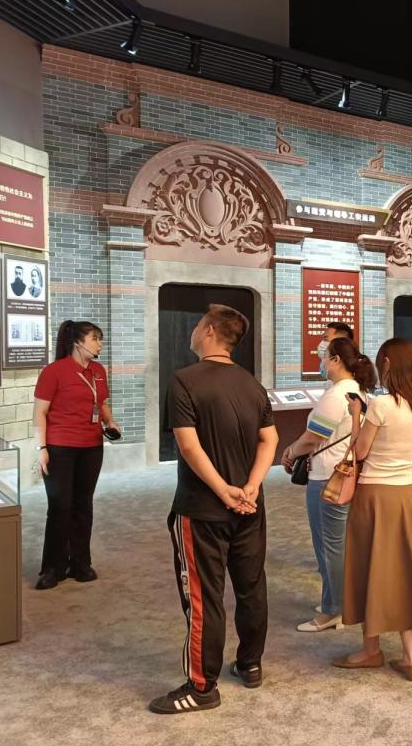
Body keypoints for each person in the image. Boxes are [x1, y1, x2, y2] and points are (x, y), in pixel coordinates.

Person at [149, 305, 278, 714]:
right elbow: (270, 440)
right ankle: (250, 663)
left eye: (197, 324)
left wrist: (223, 490)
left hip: (203, 508)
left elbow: (188, 446)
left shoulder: (184, 380)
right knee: (251, 586)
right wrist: (250, 486)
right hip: (249, 506)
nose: (193, 330)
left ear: (208, 331)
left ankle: (202, 687)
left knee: (203, 596)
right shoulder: (252, 384)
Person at [334, 337, 412, 682]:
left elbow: (361, 451)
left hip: (373, 494)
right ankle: (410, 657)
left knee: (369, 566)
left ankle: (370, 649)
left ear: (388, 364)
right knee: (406, 569)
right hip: (406, 494)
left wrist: (356, 416)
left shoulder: (382, 405)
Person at [280, 337, 376, 633]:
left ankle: (334, 610)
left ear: (336, 361)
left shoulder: (336, 396)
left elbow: (313, 437)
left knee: (329, 546)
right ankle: (337, 601)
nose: (321, 362)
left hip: (327, 476)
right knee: (337, 544)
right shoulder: (359, 392)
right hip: (344, 474)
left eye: (325, 356)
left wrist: (290, 451)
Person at [32, 320, 117, 590]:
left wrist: (110, 422)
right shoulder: (54, 372)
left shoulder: (98, 371)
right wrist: (42, 448)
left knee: (83, 505)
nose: (100, 344)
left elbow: (102, 402)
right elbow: (39, 413)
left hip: (91, 447)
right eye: (95, 338)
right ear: (78, 342)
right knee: (60, 506)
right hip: (59, 447)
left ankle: (80, 563)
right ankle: (52, 568)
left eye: (100, 339)